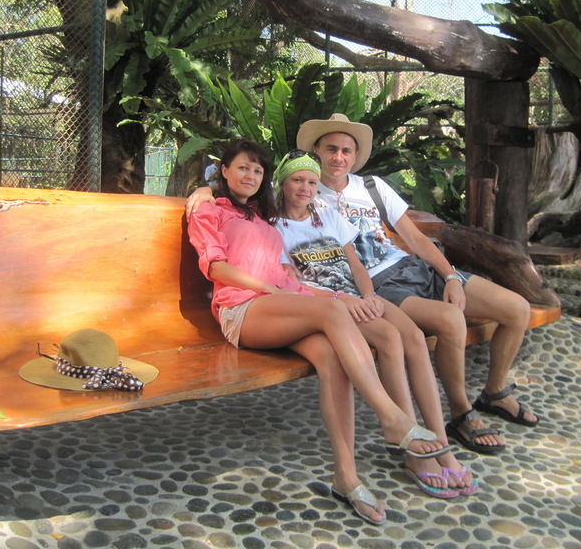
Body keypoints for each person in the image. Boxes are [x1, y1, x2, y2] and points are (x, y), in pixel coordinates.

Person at [185, 115, 537, 454]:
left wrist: (449, 276)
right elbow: (243, 238)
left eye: (347, 151)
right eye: (330, 150)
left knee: (509, 310)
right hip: (339, 292)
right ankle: (435, 416)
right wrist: (206, 189)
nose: (338, 158)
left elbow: (412, 239)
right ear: (316, 155)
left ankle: (458, 418)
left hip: (389, 275)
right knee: (440, 321)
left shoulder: (369, 187)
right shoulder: (290, 202)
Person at [186, 138, 448, 525]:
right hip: (243, 307)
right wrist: (202, 189)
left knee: (332, 358)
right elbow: (216, 268)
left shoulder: (261, 214)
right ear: (224, 170)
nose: (250, 175)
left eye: (257, 170)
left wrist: (285, 285)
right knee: (333, 305)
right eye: (242, 167)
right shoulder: (210, 210)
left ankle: (346, 477)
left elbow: (293, 238)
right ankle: (390, 416)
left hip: (282, 304)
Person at [271, 150, 478, 497]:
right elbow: (292, 282)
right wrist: (345, 300)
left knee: (412, 336)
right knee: (389, 338)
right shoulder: (275, 227)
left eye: (310, 180)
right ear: (283, 182)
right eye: (296, 180)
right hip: (331, 305)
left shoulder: (327, 214)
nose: (305, 187)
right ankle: (410, 445)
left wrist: (368, 296)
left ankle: (440, 441)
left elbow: (356, 265)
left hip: (361, 297)